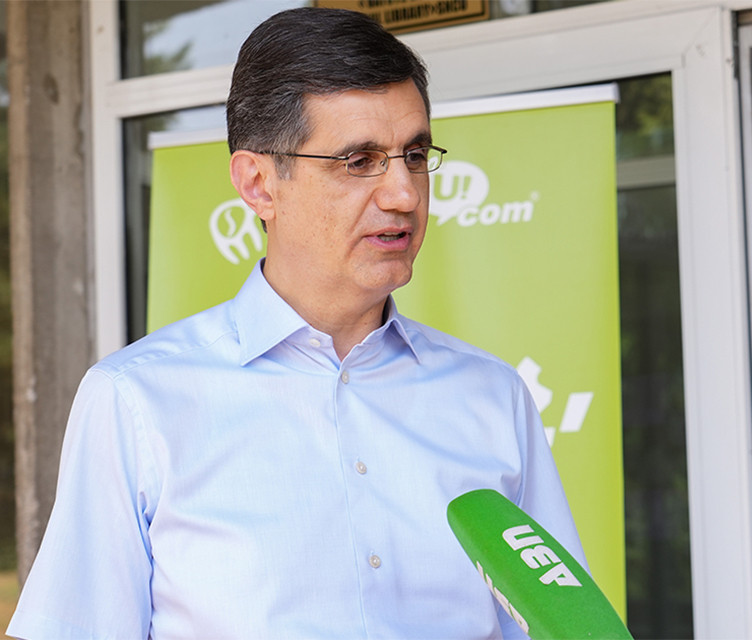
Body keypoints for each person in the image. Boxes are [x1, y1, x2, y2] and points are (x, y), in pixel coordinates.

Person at [7, 8, 584, 639]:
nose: (404, 194)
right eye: (359, 160)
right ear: (258, 184)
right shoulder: (137, 402)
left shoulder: (493, 397)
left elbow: (564, 625)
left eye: (415, 155)